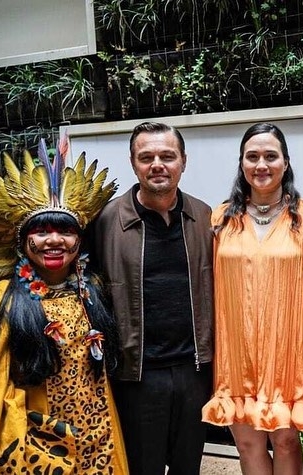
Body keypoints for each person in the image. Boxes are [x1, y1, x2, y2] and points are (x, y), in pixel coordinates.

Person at [0, 141, 127, 473]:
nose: (54, 241)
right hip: (32, 447)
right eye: (42, 231)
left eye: (66, 231)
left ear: (80, 241)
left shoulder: (92, 292)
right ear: (21, 241)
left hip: (95, 439)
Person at [201, 122, 303, 475]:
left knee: (286, 441)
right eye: (252, 156)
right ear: (241, 163)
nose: (261, 165)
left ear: (285, 163)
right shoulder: (220, 219)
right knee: (246, 442)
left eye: (270, 156)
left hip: (288, 353)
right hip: (236, 352)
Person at [91, 122, 214, 475]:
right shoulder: (107, 221)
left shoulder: (205, 218)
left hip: (194, 370)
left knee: (187, 466)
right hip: (136, 374)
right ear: (134, 163)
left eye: (167, 156)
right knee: (141, 467)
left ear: (183, 162)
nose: (157, 164)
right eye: (147, 157)